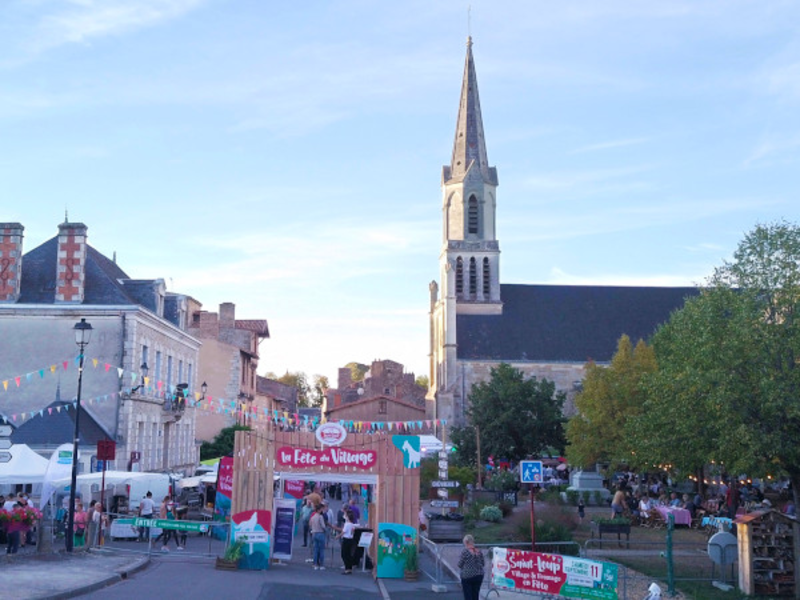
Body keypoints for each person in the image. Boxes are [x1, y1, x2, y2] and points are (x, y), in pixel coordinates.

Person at [458, 534, 485, 600]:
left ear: (466, 542)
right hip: (479, 575)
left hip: (467, 576)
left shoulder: (465, 552)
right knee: (475, 595)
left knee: (468, 596)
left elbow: (460, 564)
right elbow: (483, 563)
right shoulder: (479, 551)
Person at [335, 508, 357, 575]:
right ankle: (349, 568)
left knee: (344, 554)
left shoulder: (347, 524)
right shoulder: (352, 524)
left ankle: (347, 568)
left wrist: (337, 536)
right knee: (348, 554)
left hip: (346, 539)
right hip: (350, 539)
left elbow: (343, 532)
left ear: (347, 517)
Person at [309, 504, 328, 570]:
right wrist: (326, 531)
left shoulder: (313, 517)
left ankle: (315, 564)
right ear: (319, 510)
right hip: (320, 533)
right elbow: (323, 526)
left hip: (314, 533)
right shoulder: (320, 517)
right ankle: (321, 564)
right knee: (321, 550)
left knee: (315, 549)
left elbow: (310, 525)